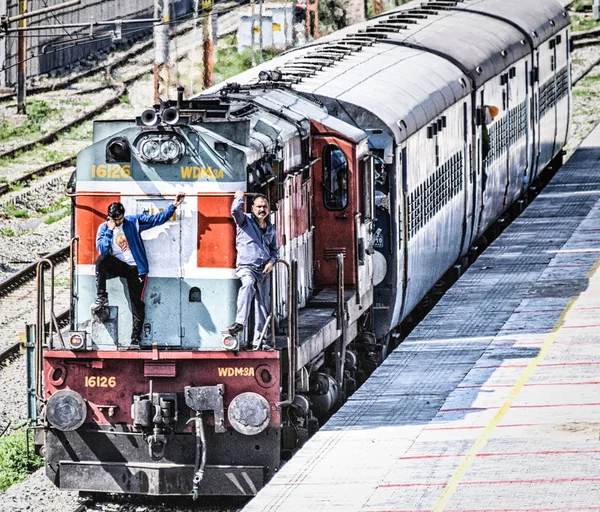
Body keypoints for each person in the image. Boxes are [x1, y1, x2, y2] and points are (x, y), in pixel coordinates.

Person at [91, 192, 185, 348]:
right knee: (101, 260)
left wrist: (174, 205)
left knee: (137, 304)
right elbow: (103, 250)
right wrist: (109, 230)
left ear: (123, 216)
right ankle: (102, 297)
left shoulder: (132, 222)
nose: (118, 222)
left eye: (120, 219)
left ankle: (135, 339)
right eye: (115, 220)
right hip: (120, 265)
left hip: (136, 269)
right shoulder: (104, 228)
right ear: (110, 217)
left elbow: (157, 219)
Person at [227, 191, 278, 350]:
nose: (262, 209)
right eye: (259, 207)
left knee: (263, 306)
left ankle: (259, 341)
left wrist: (271, 262)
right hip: (247, 267)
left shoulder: (271, 229)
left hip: (263, 270)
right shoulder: (244, 221)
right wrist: (239, 197)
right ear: (252, 208)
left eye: (264, 207)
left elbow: (275, 251)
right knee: (248, 285)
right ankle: (240, 322)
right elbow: (235, 211)